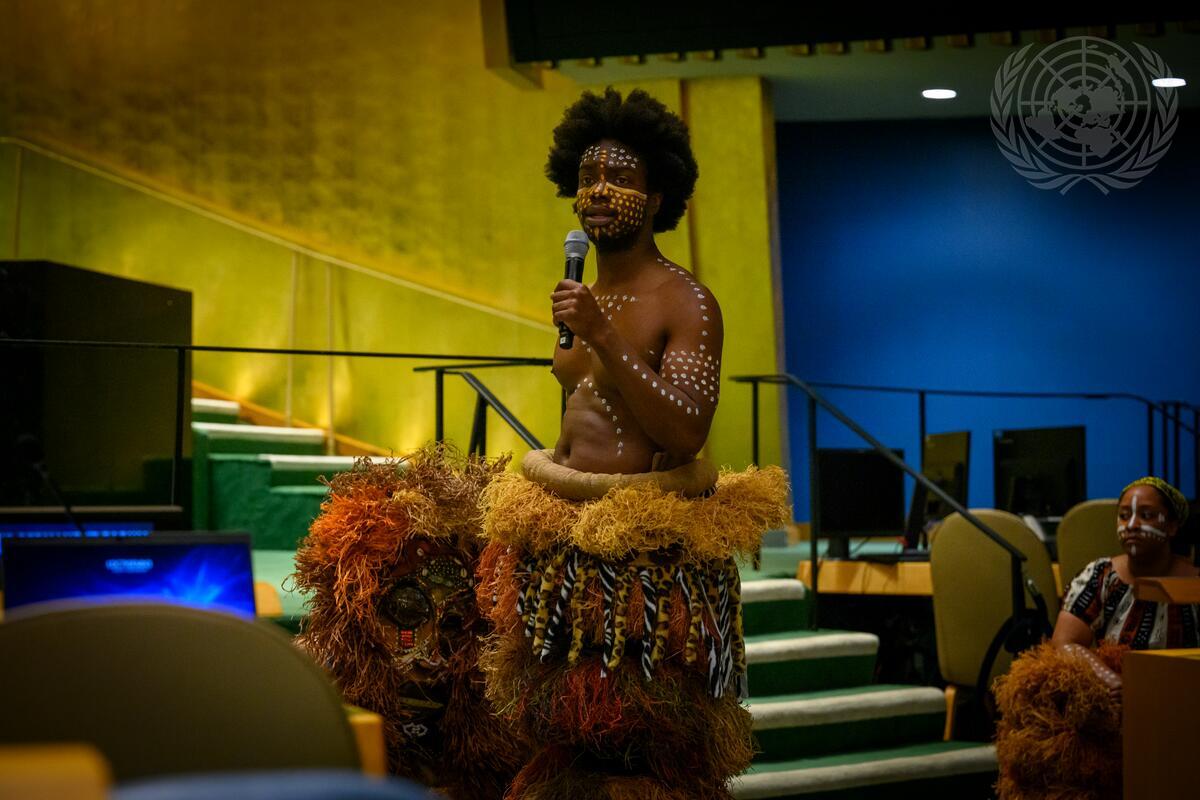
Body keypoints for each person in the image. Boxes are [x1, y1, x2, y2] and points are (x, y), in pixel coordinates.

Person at [476, 87, 789, 800]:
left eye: (618, 177)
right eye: (587, 176)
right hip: (566, 540)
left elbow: (686, 428)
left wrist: (603, 335)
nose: (598, 191)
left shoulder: (686, 301)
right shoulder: (581, 292)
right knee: (564, 741)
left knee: (638, 748)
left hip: (642, 556)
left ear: (656, 199)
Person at [994, 476, 1198, 800]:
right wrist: (1112, 681)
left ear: (1171, 526)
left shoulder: (1194, 582)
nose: (1131, 525)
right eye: (1124, 515)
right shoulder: (1100, 576)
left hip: (1179, 704)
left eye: (1146, 515)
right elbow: (1064, 642)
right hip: (1113, 710)